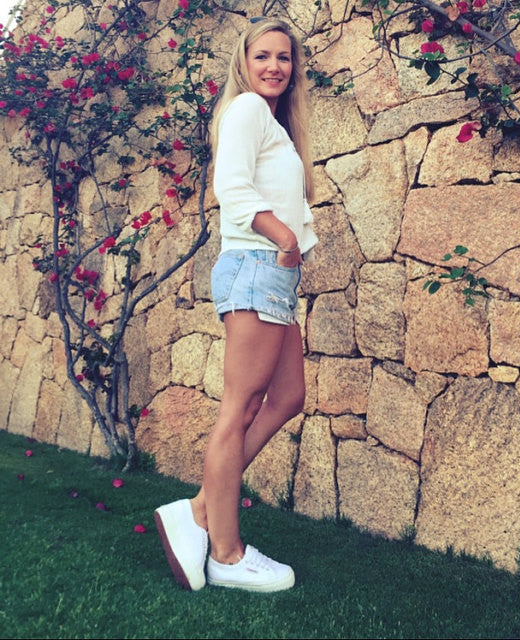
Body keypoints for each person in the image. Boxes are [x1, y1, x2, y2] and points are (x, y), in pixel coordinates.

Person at [153, 17, 318, 593]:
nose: (274, 66)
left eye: (284, 57)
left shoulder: (273, 123)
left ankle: (202, 506)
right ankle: (225, 552)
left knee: (287, 397)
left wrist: (291, 248)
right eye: (262, 56)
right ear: (244, 64)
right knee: (240, 408)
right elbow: (232, 188)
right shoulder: (246, 109)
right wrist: (286, 240)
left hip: (271, 273)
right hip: (256, 265)